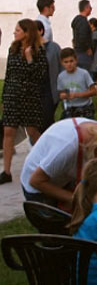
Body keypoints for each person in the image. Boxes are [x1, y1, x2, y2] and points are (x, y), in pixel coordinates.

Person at [21, 120, 97, 207]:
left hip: (63, 178)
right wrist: (77, 199)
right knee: (61, 229)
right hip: (37, 186)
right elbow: (35, 181)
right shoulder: (67, 147)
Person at [1, 19, 49, 184]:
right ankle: (6, 171)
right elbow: (9, 75)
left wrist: (29, 59)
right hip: (13, 96)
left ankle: (47, 162)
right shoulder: (13, 49)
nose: (14, 32)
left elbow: (40, 76)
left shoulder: (38, 51)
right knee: (8, 132)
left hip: (29, 97)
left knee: (33, 132)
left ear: (27, 32)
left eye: (18, 30)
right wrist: (4, 97)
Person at [35, 19, 62, 133]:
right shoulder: (29, 49)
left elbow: (61, 67)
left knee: (47, 120)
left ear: (40, 31)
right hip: (35, 92)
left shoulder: (54, 48)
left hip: (50, 90)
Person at [58, 47, 97, 119]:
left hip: (85, 106)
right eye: (66, 62)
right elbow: (62, 93)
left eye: (71, 61)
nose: (69, 64)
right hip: (70, 108)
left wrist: (78, 95)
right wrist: (64, 95)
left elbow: (94, 91)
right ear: (62, 63)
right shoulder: (61, 76)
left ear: (76, 60)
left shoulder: (84, 73)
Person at [72, 0, 93, 70]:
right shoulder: (83, 22)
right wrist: (87, 48)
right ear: (86, 8)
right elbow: (83, 37)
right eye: (90, 7)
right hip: (83, 53)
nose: (91, 9)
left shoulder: (77, 21)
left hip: (77, 51)